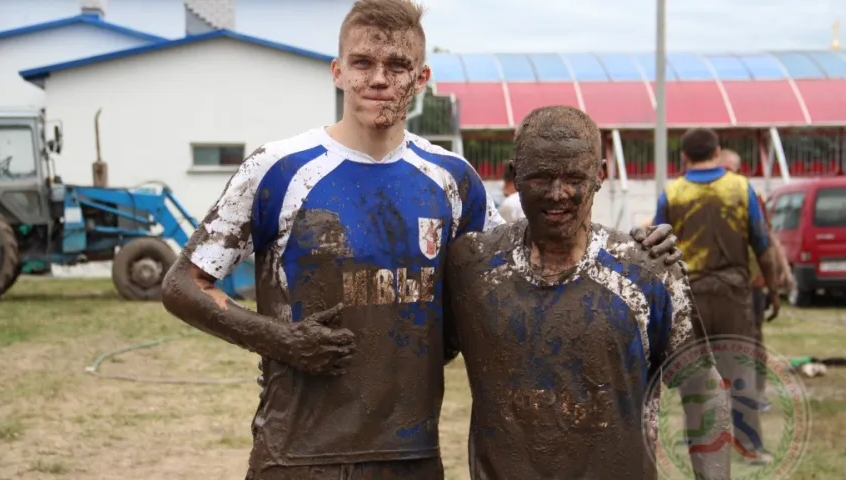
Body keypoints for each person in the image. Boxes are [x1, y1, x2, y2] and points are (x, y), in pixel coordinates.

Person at [160, 1, 682, 478]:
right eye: (363, 63)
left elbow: (524, 264)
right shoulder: (276, 168)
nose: (379, 79)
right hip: (297, 453)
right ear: (338, 71)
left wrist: (639, 249)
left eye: (398, 66)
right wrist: (281, 340)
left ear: (422, 78)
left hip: (411, 456)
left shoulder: (452, 180)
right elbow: (182, 284)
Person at [444, 105, 730, 480]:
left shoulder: (647, 274)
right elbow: (420, 354)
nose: (558, 193)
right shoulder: (472, 269)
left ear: (600, 175)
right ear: (515, 175)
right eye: (541, 177)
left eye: (574, 177)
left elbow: (703, 389)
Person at [653, 129, 782, 465]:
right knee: (740, 369)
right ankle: (751, 446)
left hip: (689, 295)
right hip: (733, 294)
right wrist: (773, 289)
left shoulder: (672, 192)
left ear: (684, 157)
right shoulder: (740, 188)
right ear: (718, 151)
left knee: (695, 375)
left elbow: (654, 249)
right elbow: (762, 245)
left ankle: (701, 443)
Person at [719, 148, 793, 411]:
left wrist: (783, 271)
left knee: (752, 339)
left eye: (729, 171)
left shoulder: (749, 195)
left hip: (751, 282)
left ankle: (755, 394)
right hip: (721, 284)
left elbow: (766, 238)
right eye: (722, 170)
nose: (725, 176)